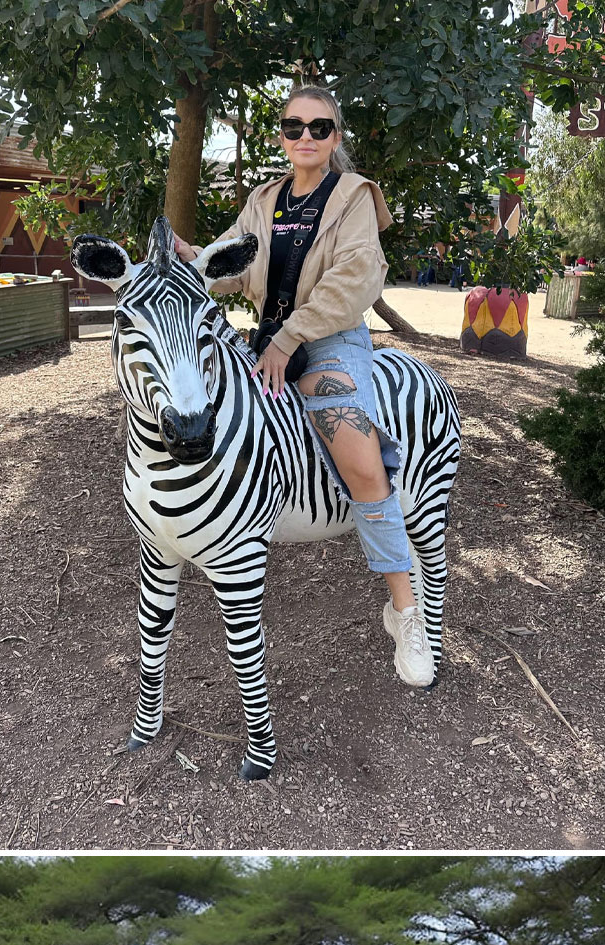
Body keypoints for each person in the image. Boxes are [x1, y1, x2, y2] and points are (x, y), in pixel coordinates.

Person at [174, 85, 435, 689]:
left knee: (362, 463)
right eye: (295, 127)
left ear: (335, 137)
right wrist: (196, 261)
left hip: (329, 340)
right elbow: (232, 263)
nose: (306, 138)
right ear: (282, 136)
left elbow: (354, 280)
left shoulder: (354, 196)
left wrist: (288, 340)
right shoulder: (263, 199)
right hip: (267, 338)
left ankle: (405, 610)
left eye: (319, 128)